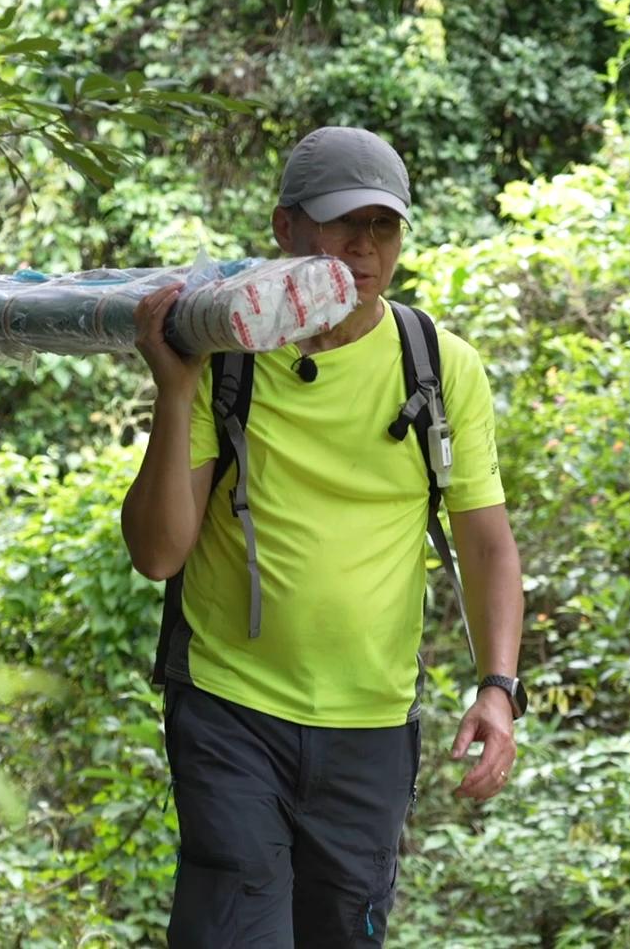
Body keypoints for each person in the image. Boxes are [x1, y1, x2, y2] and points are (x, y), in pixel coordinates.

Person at [120, 126, 527, 947]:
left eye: (384, 227)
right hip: (231, 709)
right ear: (286, 229)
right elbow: (158, 553)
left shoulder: (438, 366)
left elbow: (486, 543)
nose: (365, 249)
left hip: (372, 726)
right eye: (344, 225)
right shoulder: (225, 354)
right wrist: (174, 393)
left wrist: (499, 687)